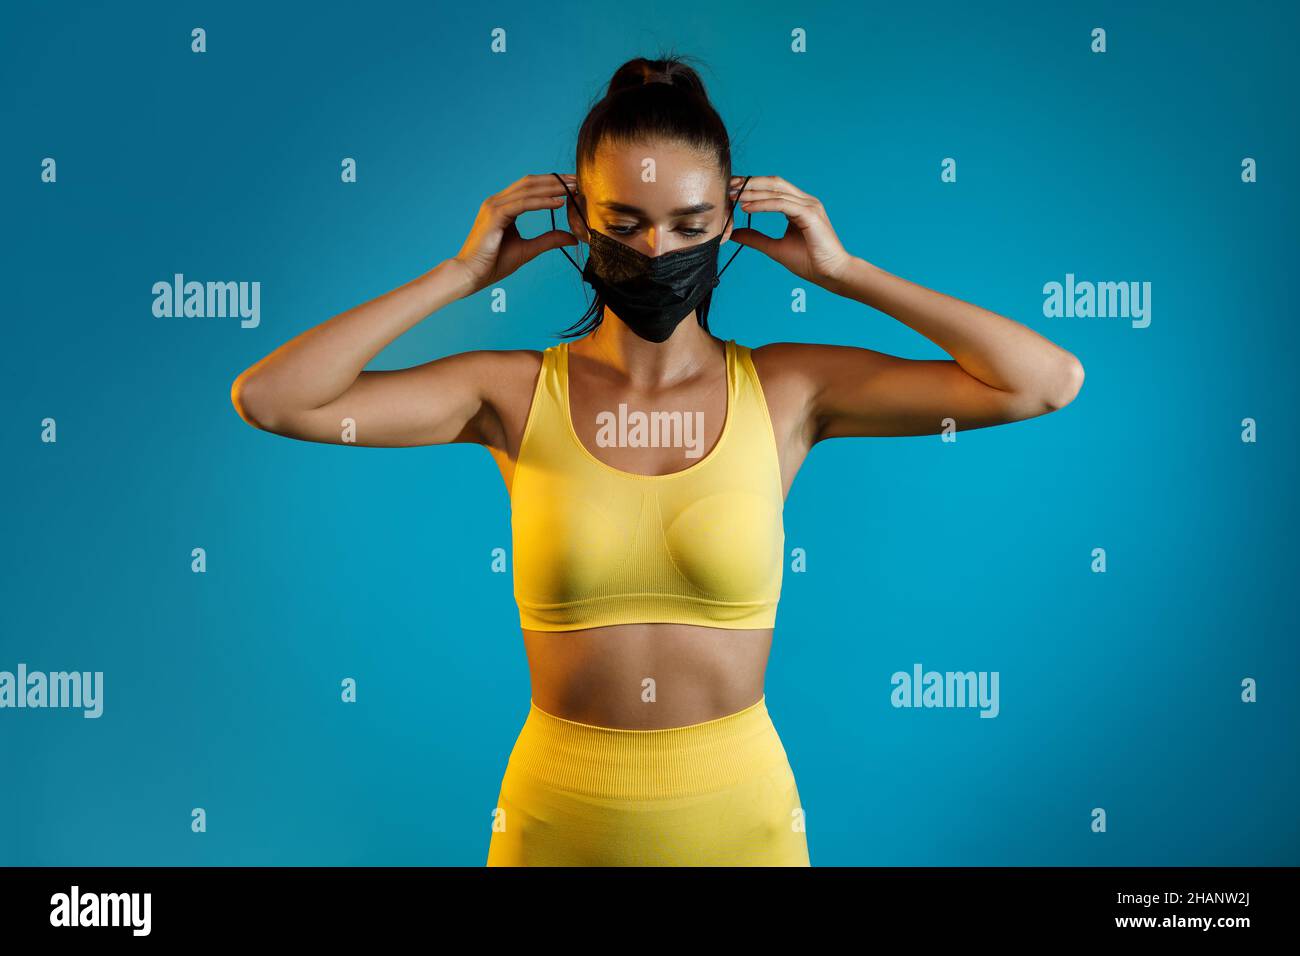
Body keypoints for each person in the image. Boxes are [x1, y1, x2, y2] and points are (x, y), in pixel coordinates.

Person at [230, 54, 1084, 866]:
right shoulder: (512, 395)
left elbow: (1042, 382)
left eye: (690, 223)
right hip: (556, 819)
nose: (656, 251)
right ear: (578, 223)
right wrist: (460, 275)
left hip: (743, 820)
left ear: (729, 224)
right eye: (624, 223)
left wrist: (846, 270)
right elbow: (275, 399)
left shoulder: (789, 392)